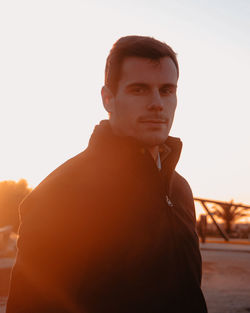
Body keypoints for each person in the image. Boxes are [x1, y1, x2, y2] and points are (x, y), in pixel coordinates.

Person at [7, 36, 207, 313]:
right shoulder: (62, 192)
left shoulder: (179, 189)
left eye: (167, 90)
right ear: (108, 98)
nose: (157, 103)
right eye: (139, 90)